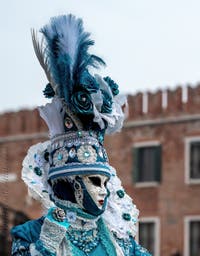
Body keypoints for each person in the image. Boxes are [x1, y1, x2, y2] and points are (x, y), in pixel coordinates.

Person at [11, 14, 151, 256]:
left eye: (105, 183)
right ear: (71, 182)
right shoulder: (31, 236)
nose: (104, 191)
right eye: (95, 181)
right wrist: (46, 246)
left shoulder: (121, 241)